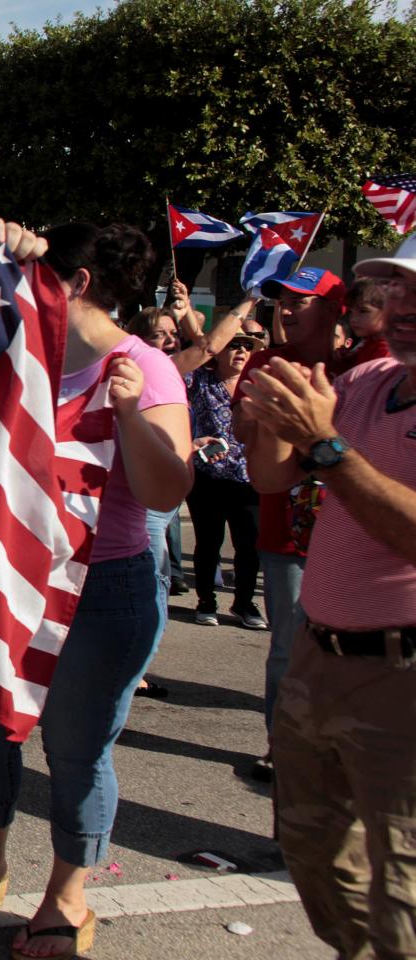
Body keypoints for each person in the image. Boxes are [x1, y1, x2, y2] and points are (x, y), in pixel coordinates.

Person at [0, 222, 192, 960]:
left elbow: (170, 485)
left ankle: (66, 895)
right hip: (8, 579)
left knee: (75, 749)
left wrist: (130, 413)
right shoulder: (18, 349)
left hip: (104, 589)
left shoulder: (145, 366)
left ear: (72, 285)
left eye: (37, 279)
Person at [240, 246, 416, 960]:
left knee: (403, 894)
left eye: (415, 295)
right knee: (314, 858)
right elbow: (274, 479)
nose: (401, 309)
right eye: (393, 291)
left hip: (401, 676)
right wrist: (271, 418)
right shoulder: (373, 378)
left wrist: (323, 444)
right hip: (321, 655)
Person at [232, 266, 347, 780]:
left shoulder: (365, 365)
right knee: (288, 645)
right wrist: (262, 417)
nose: (288, 308)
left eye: (303, 300)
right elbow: (247, 440)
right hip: (286, 531)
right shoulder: (265, 362)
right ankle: (282, 747)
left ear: (333, 308)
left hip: (356, 535)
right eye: (284, 300)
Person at [186, 325, 267, 629]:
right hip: (209, 476)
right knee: (209, 542)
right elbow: (185, 361)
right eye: (233, 344)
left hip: (249, 478)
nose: (242, 351)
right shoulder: (199, 380)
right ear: (218, 351)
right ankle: (206, 600)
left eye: (247, 346)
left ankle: (244, 603)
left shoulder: (259, 384)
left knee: (249, 544)